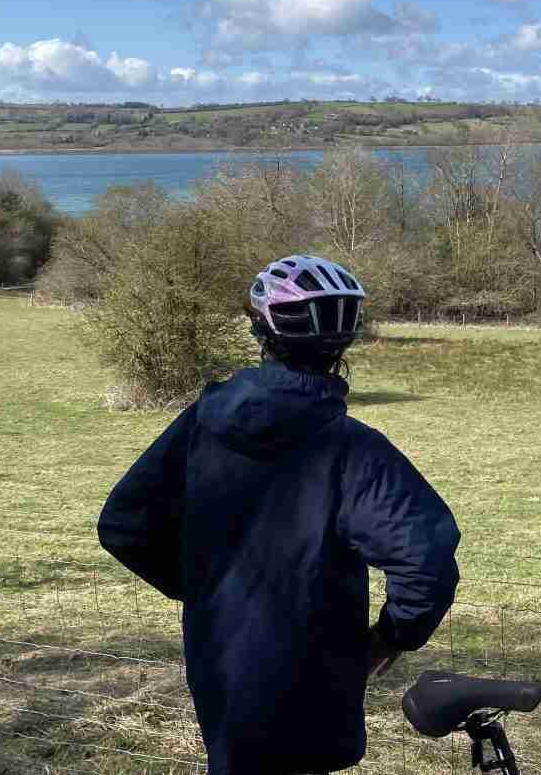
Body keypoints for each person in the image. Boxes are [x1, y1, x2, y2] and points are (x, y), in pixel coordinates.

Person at [97, 254, 460, 775]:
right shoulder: (352, 450)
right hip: (313, 678)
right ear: (344, 344)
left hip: (219, 664)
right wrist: (390, 638)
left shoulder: (202, 422)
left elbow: (124, 524)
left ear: (260, 331)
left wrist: (204, 588)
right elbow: (424, 559)